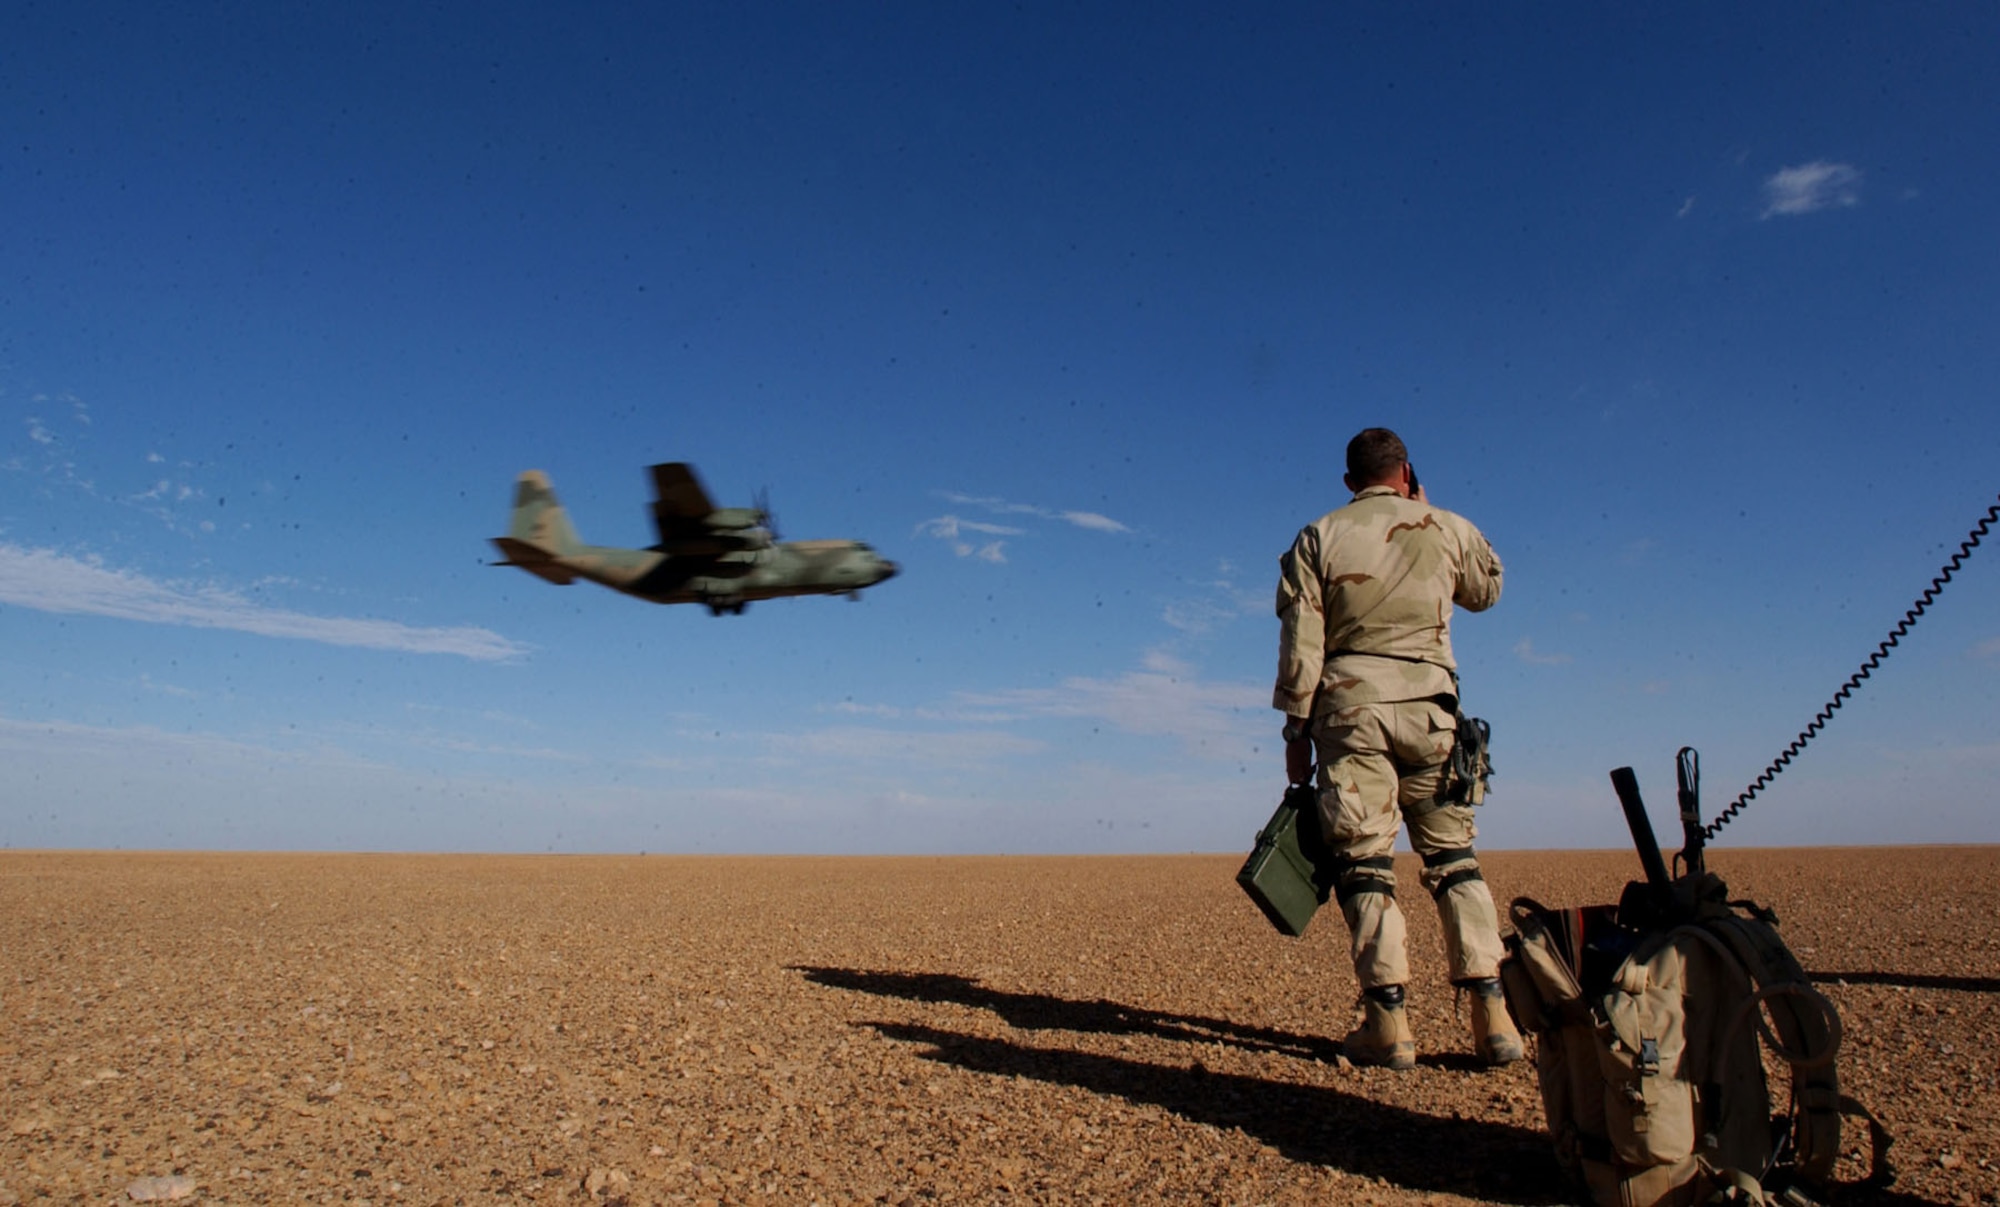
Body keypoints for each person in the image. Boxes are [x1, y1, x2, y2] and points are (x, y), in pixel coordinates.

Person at [1272, 427, 1522, 1070]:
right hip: (1433, 715)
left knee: (1364, 863)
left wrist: (1295, 732)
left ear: (1350, 482)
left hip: (1350, 713)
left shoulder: (1318, 536)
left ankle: (1389, 1023)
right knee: (1454, 859)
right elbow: (1487, 590)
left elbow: (1302, 641)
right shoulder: (1444, 525)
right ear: (1405, 472)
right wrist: (1429, 508)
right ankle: (1492, 1016)